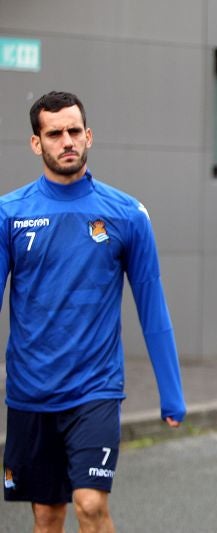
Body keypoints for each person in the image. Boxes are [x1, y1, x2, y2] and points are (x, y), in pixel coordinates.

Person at [2, 91, 185, 532]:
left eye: (74, 131)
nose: (66, 141)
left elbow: (152, 306)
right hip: (30, 390)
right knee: (47, 515)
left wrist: (171, 390)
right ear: (36, 143)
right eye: (54, 133)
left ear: (89, 136)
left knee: (89, 504)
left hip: (95, 389)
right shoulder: (10, 213)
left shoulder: (126, 214)